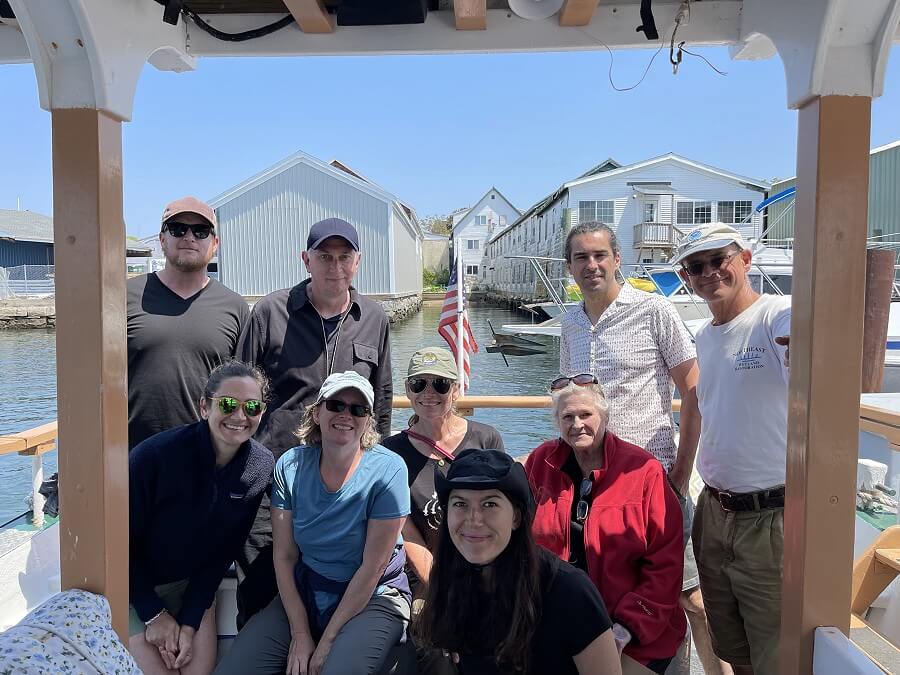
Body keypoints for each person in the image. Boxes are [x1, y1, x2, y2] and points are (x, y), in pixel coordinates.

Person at [559, 221, 724, 673]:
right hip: (595, 483)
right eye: (581, 257)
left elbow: (694, 391)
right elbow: (569, 401)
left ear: (617, 260)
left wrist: (680, 469)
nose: (591, 265)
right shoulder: (570, 321)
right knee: (617, 590)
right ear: (569, 266)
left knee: (691, 596)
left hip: (653, 478)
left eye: (599, 255)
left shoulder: (653, 310)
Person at [236, 217, 393, 623]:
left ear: (358, 262)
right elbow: (242, 393)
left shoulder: (374, 318)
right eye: (325, 256)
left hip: (345, 487)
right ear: (306, 259)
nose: (334, 266)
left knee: (333, 592)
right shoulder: (270, 312)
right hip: (273, 479)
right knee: (260, 590)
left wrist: (377, 471)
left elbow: (384, 400)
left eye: (344, 257)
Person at [215, 371, 412, 675]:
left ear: (368, 421)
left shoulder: (389, 471)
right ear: (317, 413)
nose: (346, 414)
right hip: (309, 590)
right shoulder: (291, 466)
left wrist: (326, 642)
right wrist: (301, 633)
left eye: (358, 409)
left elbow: (371, 570)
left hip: (374, 596)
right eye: (336, 405)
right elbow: (285, 556)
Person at [672, 223, 791, 675]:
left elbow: (798, 331)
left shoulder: (775, 314)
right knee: (733, 646)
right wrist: (681, 477)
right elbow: (698, 405)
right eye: (695, 266)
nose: (708, 272)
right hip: (715, 512)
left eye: (718, 259)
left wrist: (802, 347)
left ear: (745, 259)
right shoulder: (704, 335)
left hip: (771, 517)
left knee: (775, 653)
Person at [525, 376, 685, 672]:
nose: (577, 424)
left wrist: (625, 629)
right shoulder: (540, 463)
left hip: (633, 628)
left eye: (586, 415)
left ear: (605, 416)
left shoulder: (643, 471)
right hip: (556, 619)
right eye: (567, 417)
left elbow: (665, 565)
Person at [415, 448, 621, 675]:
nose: (473, 519)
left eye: (489, 504)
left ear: (516, 517)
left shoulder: (569, 591)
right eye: (460, 504)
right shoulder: (452, 581)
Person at [129, 361, 274, 675]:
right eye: (227, 404)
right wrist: (154, 615)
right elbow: (119, 545)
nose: (240, 416)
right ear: (204, 407)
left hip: (192, 586)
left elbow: (223, 551)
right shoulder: (154, 458)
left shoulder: (260, 466)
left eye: (251, 406)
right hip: (134, 586)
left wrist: (191, 621)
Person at [382, 347, 504, 675]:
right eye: (418, 384)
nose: (429, 393)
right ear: (407, 390)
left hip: (486, 570)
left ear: (456, 389)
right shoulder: (392, 453)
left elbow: (500, 516)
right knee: (436, 644)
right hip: (429, 579)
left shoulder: (485, 438)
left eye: (440, 384)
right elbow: (407, 534)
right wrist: (447, 587)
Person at [127, 196, 249, 450]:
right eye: (178, 229)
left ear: (215, 244)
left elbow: (244, 392)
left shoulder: (235, 307)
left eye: (201, 231)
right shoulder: (122, 296)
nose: (189, 237)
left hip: (208, 458)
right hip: (131, 459)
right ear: (162, 239)